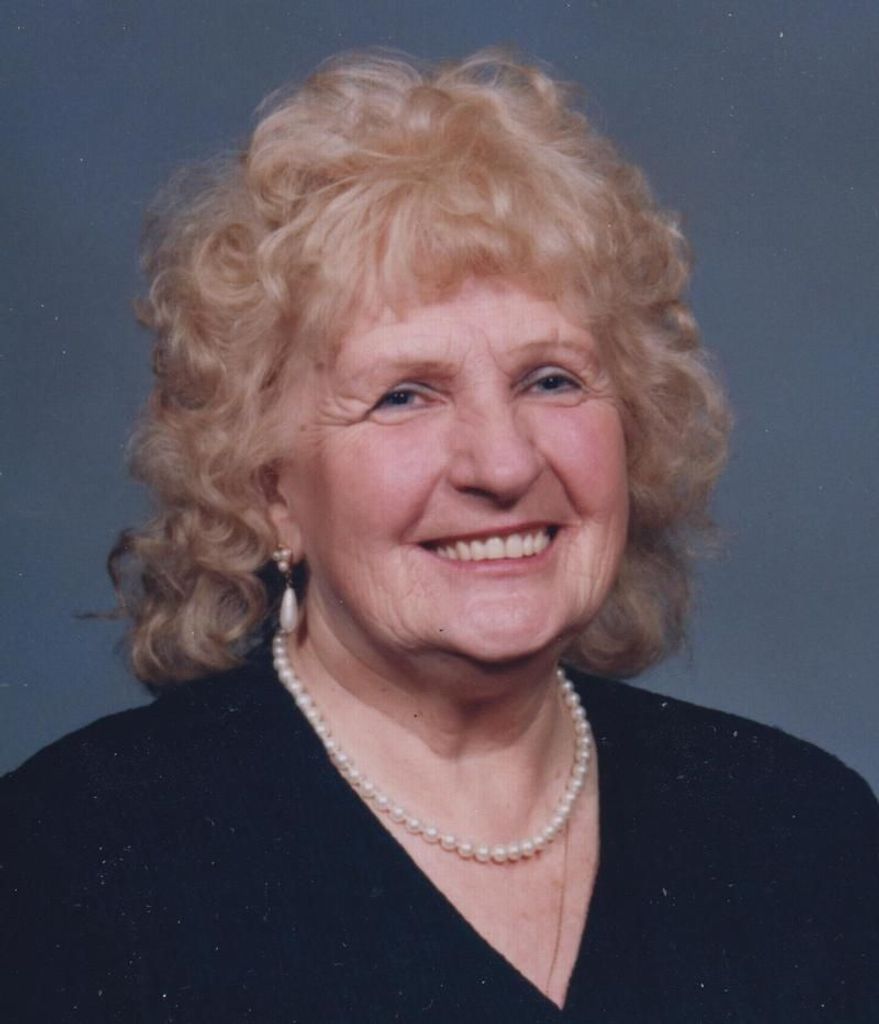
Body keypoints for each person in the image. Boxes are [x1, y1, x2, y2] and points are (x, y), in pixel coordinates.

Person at [2, 49, 876, 1023]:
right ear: (268, 487)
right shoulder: (76, 862)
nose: (501, 464)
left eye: (550, 379)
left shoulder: (804, 830)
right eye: (404, 395)